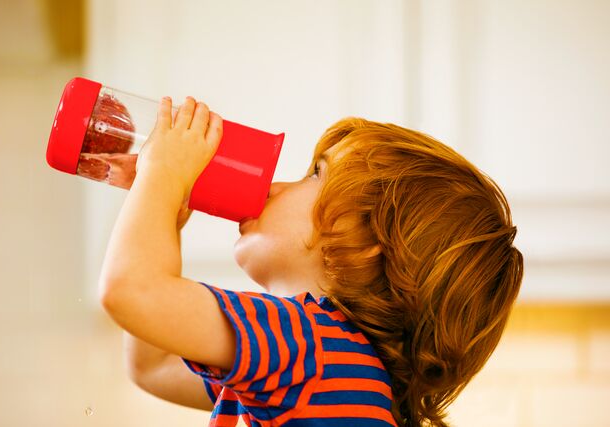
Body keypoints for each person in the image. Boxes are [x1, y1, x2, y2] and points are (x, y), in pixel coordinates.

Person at [99, 96, 524, 427]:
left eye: (315, 176)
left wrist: (164, 175)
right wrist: (164, 216)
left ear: (366, 244)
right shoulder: (334, 370)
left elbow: (132, 292)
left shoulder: (301, 344)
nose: (276, 186)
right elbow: (153, 366)